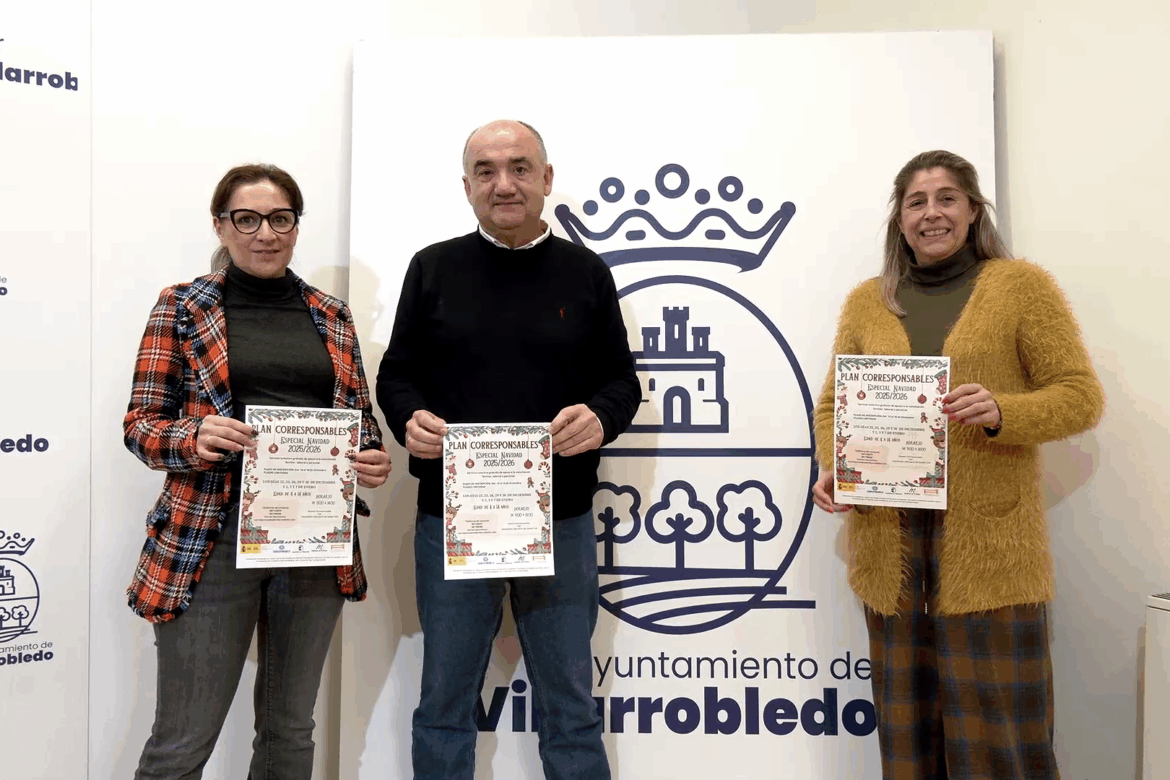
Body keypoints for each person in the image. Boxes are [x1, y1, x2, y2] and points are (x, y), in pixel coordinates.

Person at [812, 150, 1104, 779]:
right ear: (900, 219)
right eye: (915, 202)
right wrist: (835, 461)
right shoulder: (868, 302)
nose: (932, 213)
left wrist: (1003, 410)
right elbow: (836, 403)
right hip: (891, 548)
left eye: (946, 198)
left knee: (1001, 739)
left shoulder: (1021, 287)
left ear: (973, 210)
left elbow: (1081, 396)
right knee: (908, 738)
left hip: (989, 549)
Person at [376, 120, 640, 780]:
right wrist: (409, 418)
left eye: (520, 168)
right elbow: (397, 376)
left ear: (546, 179)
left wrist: (601, 417)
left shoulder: (586, 272)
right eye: (486, 171)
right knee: (444, 704)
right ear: (466, 186)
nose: (504, 184)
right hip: (454, 520)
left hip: (561, 519)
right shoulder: (432, 268)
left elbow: (621, 382)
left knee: (571, 708)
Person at [123, 163, 392, 780]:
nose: (265, 233)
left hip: (314, 540)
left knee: (290, 733)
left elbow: (360, 423)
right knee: (182, 741)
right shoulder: (182, 307)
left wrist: (370, 457)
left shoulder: (332, 315)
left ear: (296, 226)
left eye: (280, 218)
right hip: (211, 538)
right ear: (221, 226)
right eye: (247, 219)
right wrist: (194, 436)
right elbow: (141, 426)